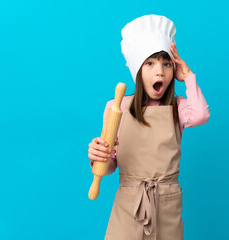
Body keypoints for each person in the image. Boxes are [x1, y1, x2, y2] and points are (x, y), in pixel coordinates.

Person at [87, 14, 210, 240]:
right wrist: (99, 156)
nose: (160, 71)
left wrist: (189, 76)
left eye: (166, 64)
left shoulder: (178, 107)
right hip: (129, 203)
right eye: (150, 63)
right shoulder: (117, 107)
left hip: (167, 203)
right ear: (138, 72)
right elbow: (111, 163)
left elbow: (201, 115)